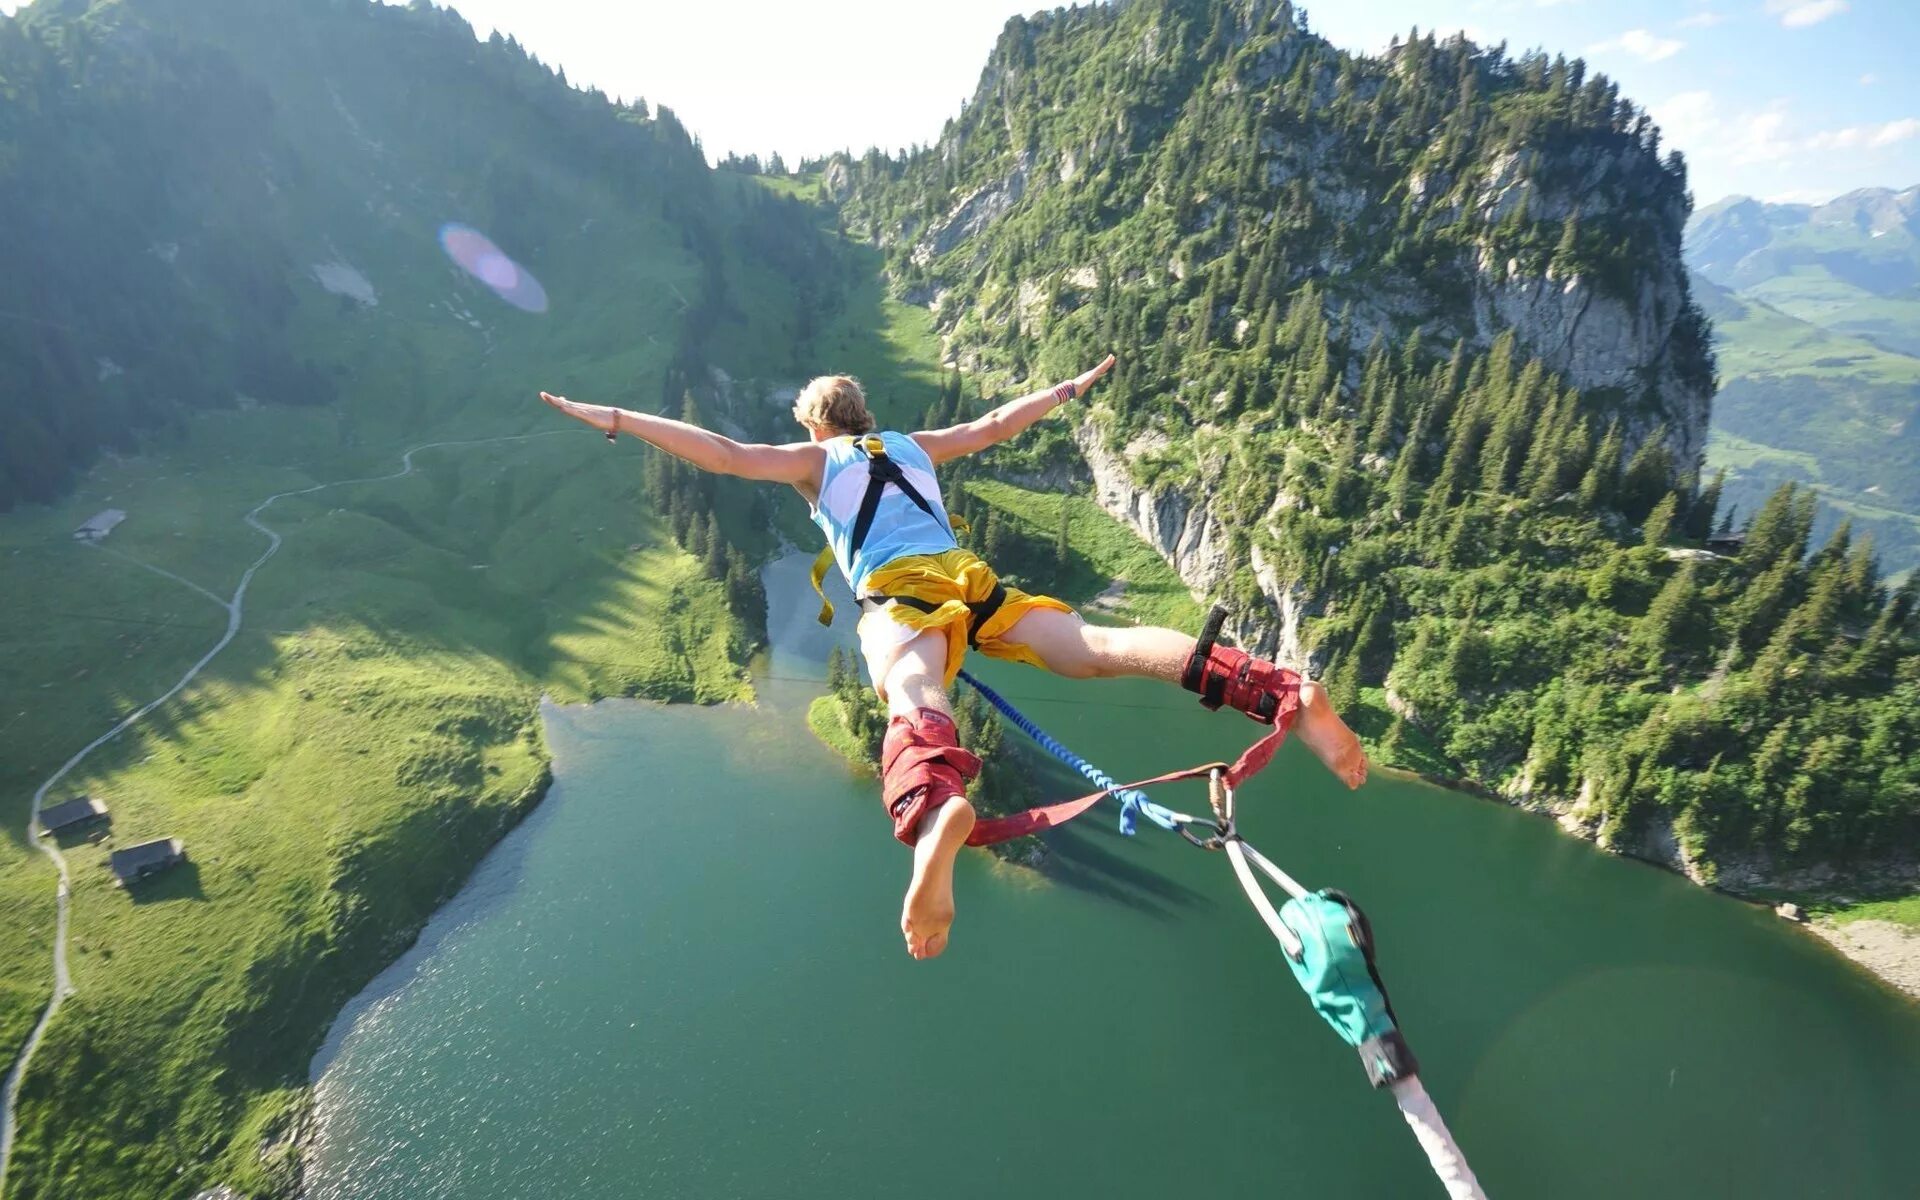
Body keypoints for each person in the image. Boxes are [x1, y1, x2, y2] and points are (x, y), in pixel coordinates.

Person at [538, 356, 1367, 961]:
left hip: (901, 592)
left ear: (818, 425)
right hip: (970, 579)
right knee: (1094, 646)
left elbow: (719, 452)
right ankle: (1280, 691)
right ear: (866, 413)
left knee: (911, 684)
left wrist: (616, 418)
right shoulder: (913, 444)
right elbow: (997, 424)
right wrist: (1065, 390)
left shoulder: (814, 460)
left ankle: (939, 807)